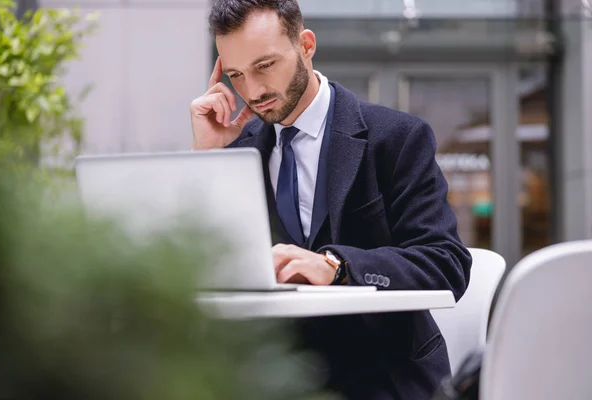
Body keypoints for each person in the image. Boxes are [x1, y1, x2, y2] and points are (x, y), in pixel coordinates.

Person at [190, 1, 472, 399]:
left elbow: (446, 263)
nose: (252, 91)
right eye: (236, 74)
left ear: (305, 44)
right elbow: (201, 268)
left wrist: (336, 266)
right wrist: (207, 158)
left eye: (265, 65)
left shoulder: (395, 137)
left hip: (380, 377)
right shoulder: (238, 151)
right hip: (273, 380)